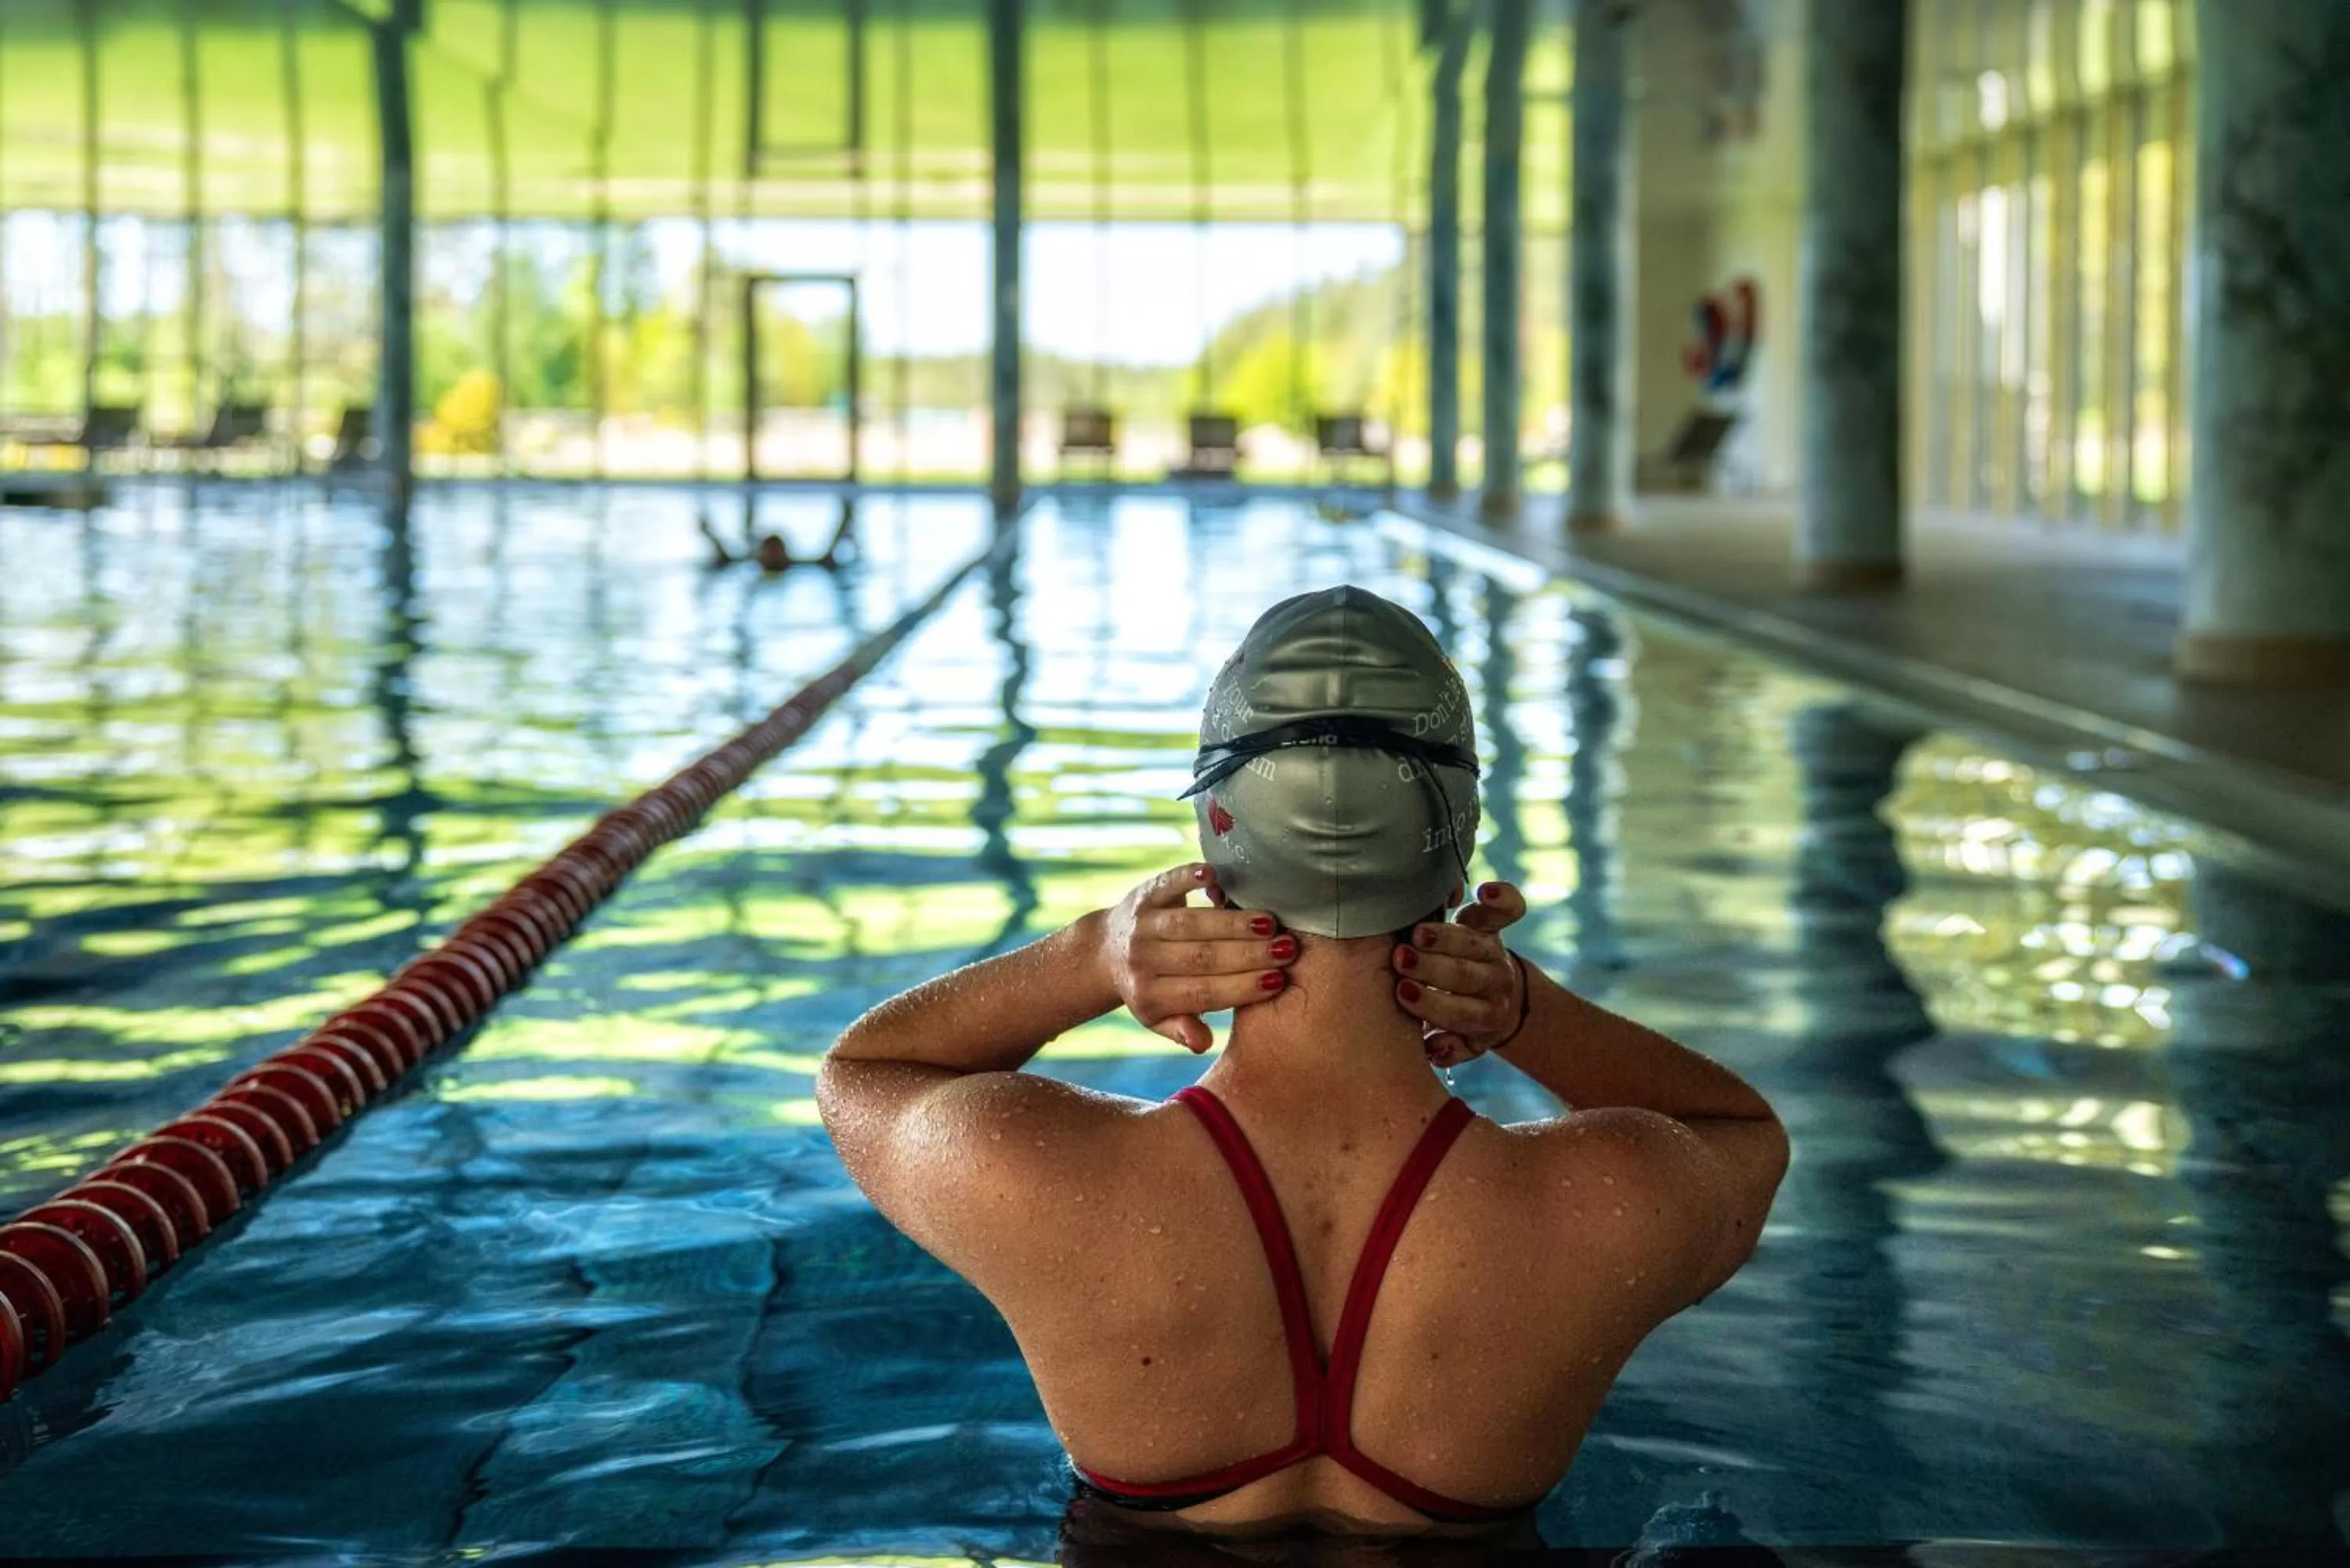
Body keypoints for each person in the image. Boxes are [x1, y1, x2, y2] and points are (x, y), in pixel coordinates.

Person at [817, 585, 1788, 1541]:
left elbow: (864, 1073)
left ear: (1216, 838)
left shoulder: (1035, 1173)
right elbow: (1743, 1136)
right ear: (1458, 859)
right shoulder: (1612, 1195)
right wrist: (1529, 1014)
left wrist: (1090, 958)